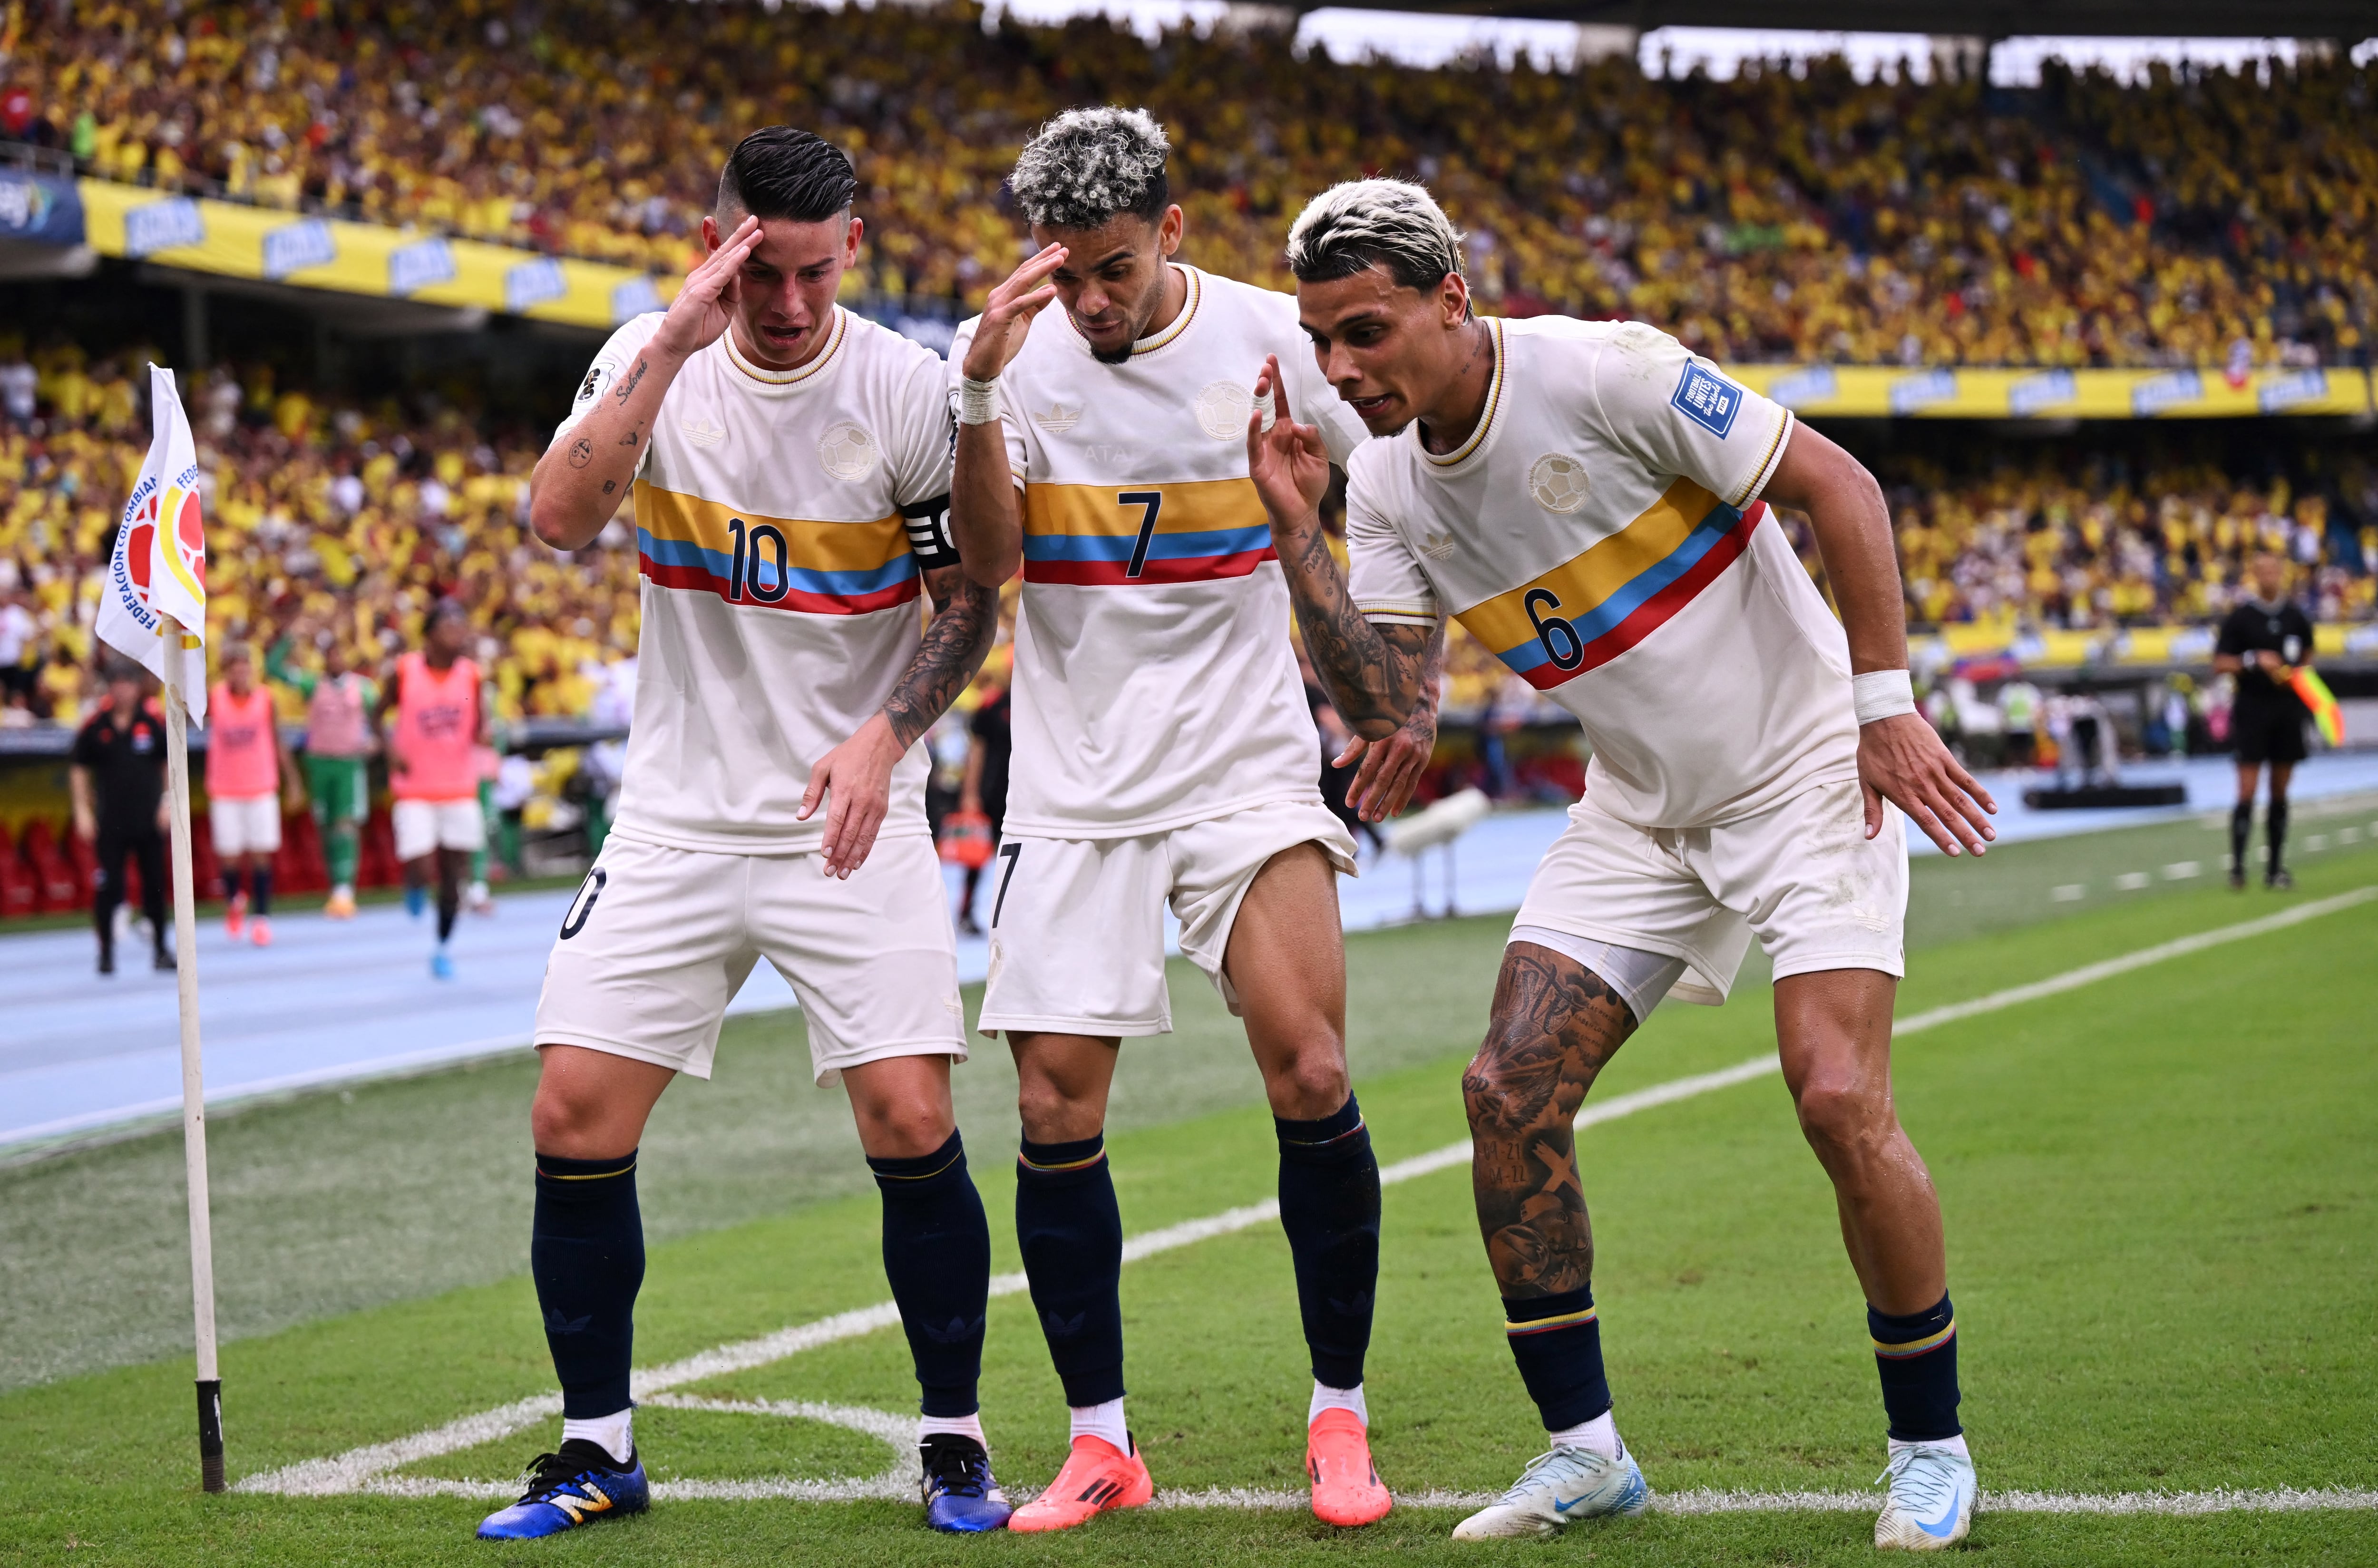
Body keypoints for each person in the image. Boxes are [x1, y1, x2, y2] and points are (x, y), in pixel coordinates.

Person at [1248, 179, 1999, 1550]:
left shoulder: (1608, 371)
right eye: (1323, 340)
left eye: (1365, 331)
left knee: (1838, 1097)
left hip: (1802, 777)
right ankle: (1586, 1453)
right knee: (1505, 1093)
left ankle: (1931, 1448)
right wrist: (1300, 530)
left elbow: (1842, 484)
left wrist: (1883, 708)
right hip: (1641, 815)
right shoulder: (1392, 486)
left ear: (1451, 301)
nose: (1343, 367)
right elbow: (1388, 703)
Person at [482, 127, 1002, 1543]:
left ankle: (952, 1436)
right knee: (571, 1114)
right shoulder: (652, 356)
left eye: (813, 271)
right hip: (675, 819)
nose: (786, 303)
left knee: (908, 1115)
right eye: (760, 271)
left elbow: (965, 602)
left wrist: (883, 739)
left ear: (855, 246)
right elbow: (555, 519)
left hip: (852, 811)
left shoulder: (901, 389)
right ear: (720, 246)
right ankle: (598, 1447)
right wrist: (668, 345)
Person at [947, 107, 1434, 1533]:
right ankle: (1100, 1442)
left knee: (1311, 1067)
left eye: (1108, 268)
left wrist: (1401, 661)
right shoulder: (1008, 359)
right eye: (1061, 271)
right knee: (1051, 1108)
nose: (1086, 301)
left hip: (1242, 765)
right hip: (1075, 779)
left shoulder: (1273, 347)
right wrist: (978, 393)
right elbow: (984, 571)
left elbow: (1402, 483)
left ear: (1169, 231)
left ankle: (1337, 1419)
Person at [380, 600, 490, 979]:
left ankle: (442, 946)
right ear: (429, 634)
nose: (459, 634)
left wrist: (487, 740)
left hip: (459, 785)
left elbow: (481, 724)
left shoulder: (472, 675)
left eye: (462, 626)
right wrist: (389, 748)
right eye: (449, 627)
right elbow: (376, 714)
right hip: (415, 787)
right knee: (420, 862)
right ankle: (413, 886)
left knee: (453, 875)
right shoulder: (404, 671)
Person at [2214, 550, 2315, 891]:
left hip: (2286, 710)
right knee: (2247, 787)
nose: (2270, 576)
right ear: (2255, 575)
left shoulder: (2295, 617)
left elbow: (2307, 658)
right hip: (2253, 709)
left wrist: (2296, 676)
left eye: (2275, 569)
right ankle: (2238, 868)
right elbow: (2220, 663)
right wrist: (2253, 661)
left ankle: (2275, 868)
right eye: (2263, 571)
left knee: (2281, 788)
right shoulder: (2242, 618)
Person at [267, 627, 380, 918]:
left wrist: (375, 740)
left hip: (348, 763)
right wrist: (292, 636)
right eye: (331, 655)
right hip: (319, 763)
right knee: (326, 826)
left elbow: (380, 714)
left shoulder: (363, 688)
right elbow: (274, 668)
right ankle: (334, 887)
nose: (336, 660)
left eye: (341, 654)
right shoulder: (312, 684)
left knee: (346, 824)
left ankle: (345, 889)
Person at [71, 660, 175, 974]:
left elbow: (167, 763)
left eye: (128, 683)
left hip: (148, 819)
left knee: (155, 885)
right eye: (116, 682)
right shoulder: (96, 724)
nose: (122, 689)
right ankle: (106, 953)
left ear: (137, 686)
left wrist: (167, 802)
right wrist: (81, 809)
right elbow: (79, 767)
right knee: (109, 887)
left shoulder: (153, 720)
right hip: (111, 820)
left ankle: (160, 948)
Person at [204, 644, 294, 946]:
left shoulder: (266, 699)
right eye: (235, 667)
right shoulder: (214, 697)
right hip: (225, 787)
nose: (241, 673)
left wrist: (292, 779)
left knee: (261, 853)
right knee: (229, 855)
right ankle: (234, 900)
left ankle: (262, 917)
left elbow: (278, 738)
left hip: (260, 785)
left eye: (246, 667)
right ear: (227, 671)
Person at [954, 677, 1010, 936]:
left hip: (1022, 796)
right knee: (975, 860)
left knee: (1017, 858)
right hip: (990, 795)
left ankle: (1012, 916)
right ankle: (966, 913)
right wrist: (970, 793)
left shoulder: (1037, 704)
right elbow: (977, 749)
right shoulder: (993, 705)